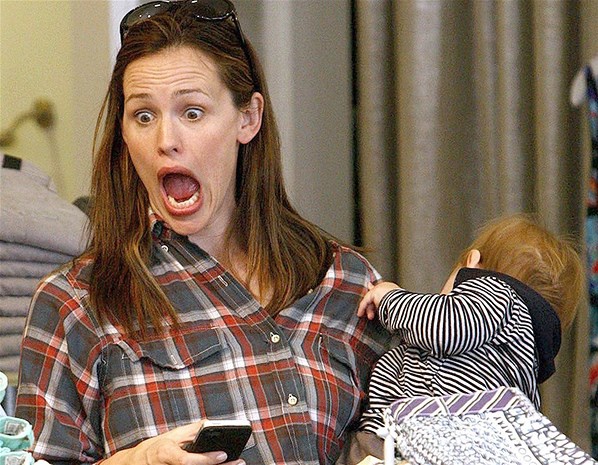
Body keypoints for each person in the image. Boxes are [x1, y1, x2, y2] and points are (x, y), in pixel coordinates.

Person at [14, 1, 392, 464]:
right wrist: (138, 461)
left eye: (192, 112)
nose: (165, 141)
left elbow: (414, 434)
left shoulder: (347, 282)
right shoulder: (74, 303)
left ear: (247, 118)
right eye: (144, 116)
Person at [354, 213, 584, 437]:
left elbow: (441, 328)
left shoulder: (498, 296)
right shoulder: (524, 367)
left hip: (436, 437)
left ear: (472, 262)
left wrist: (390, 298)